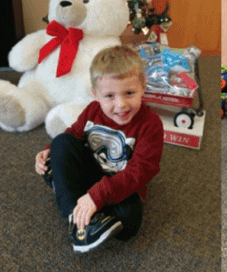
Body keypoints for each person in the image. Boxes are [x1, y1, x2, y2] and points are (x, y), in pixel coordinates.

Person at [33, 45, 163, 253]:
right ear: (96, 94)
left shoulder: (151, 124)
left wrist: (97, 195)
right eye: (109, 96)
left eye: (129, 93)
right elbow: (73, 133)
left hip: (121, 184)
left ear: (143, 87)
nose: (121, 104)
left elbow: (141, 170)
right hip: (91, 171)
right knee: (61, 142)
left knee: (129, 222)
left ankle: (66, 188)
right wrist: (50, 151)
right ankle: (75, 218)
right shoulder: (93, 110)